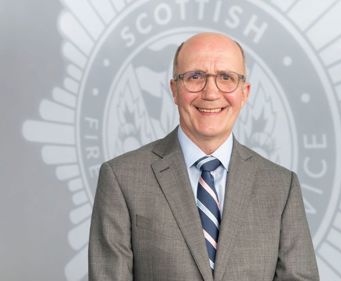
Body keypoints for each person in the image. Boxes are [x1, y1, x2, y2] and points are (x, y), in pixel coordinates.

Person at [89, 32, 319, 281]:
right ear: (174, 89)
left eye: (226, 77)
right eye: (195, 76)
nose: (211, 93)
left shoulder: (281, 186)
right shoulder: (121, 178)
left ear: (245, 92)